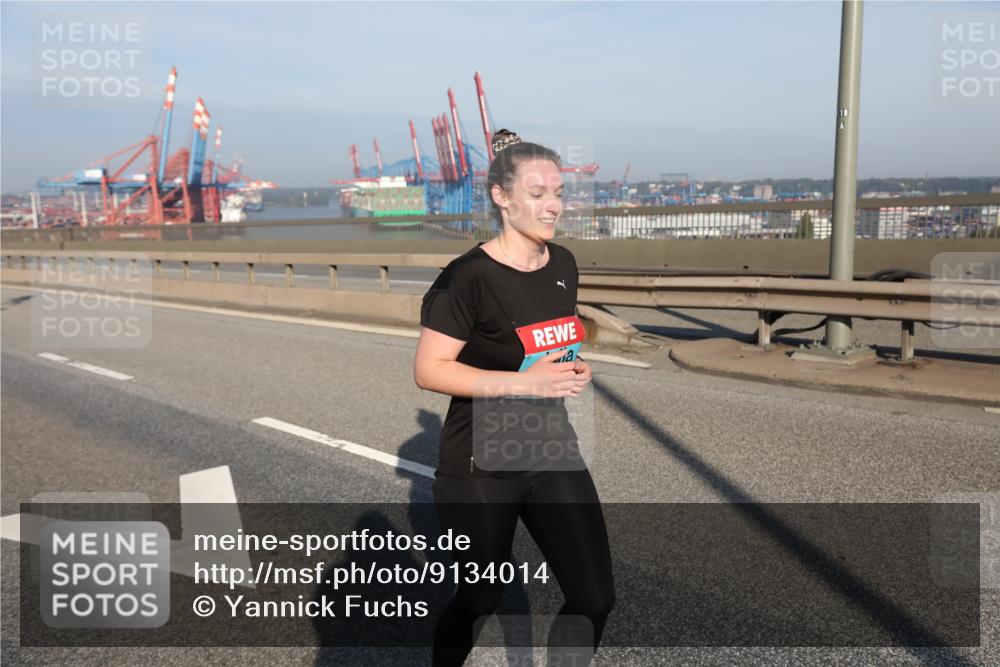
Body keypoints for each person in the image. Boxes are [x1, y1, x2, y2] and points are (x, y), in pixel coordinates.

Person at [413, 129, 615, 666]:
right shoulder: (467, 278)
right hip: (481, 466)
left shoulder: (563, 264)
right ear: (502, 197)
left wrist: (569, 365)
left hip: (552, 451)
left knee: (595, 598)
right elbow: (429, 371)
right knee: (479, 599)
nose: (553, 206)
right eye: (538, 193)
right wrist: (527, 383)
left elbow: (543, 342)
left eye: (558, 193)